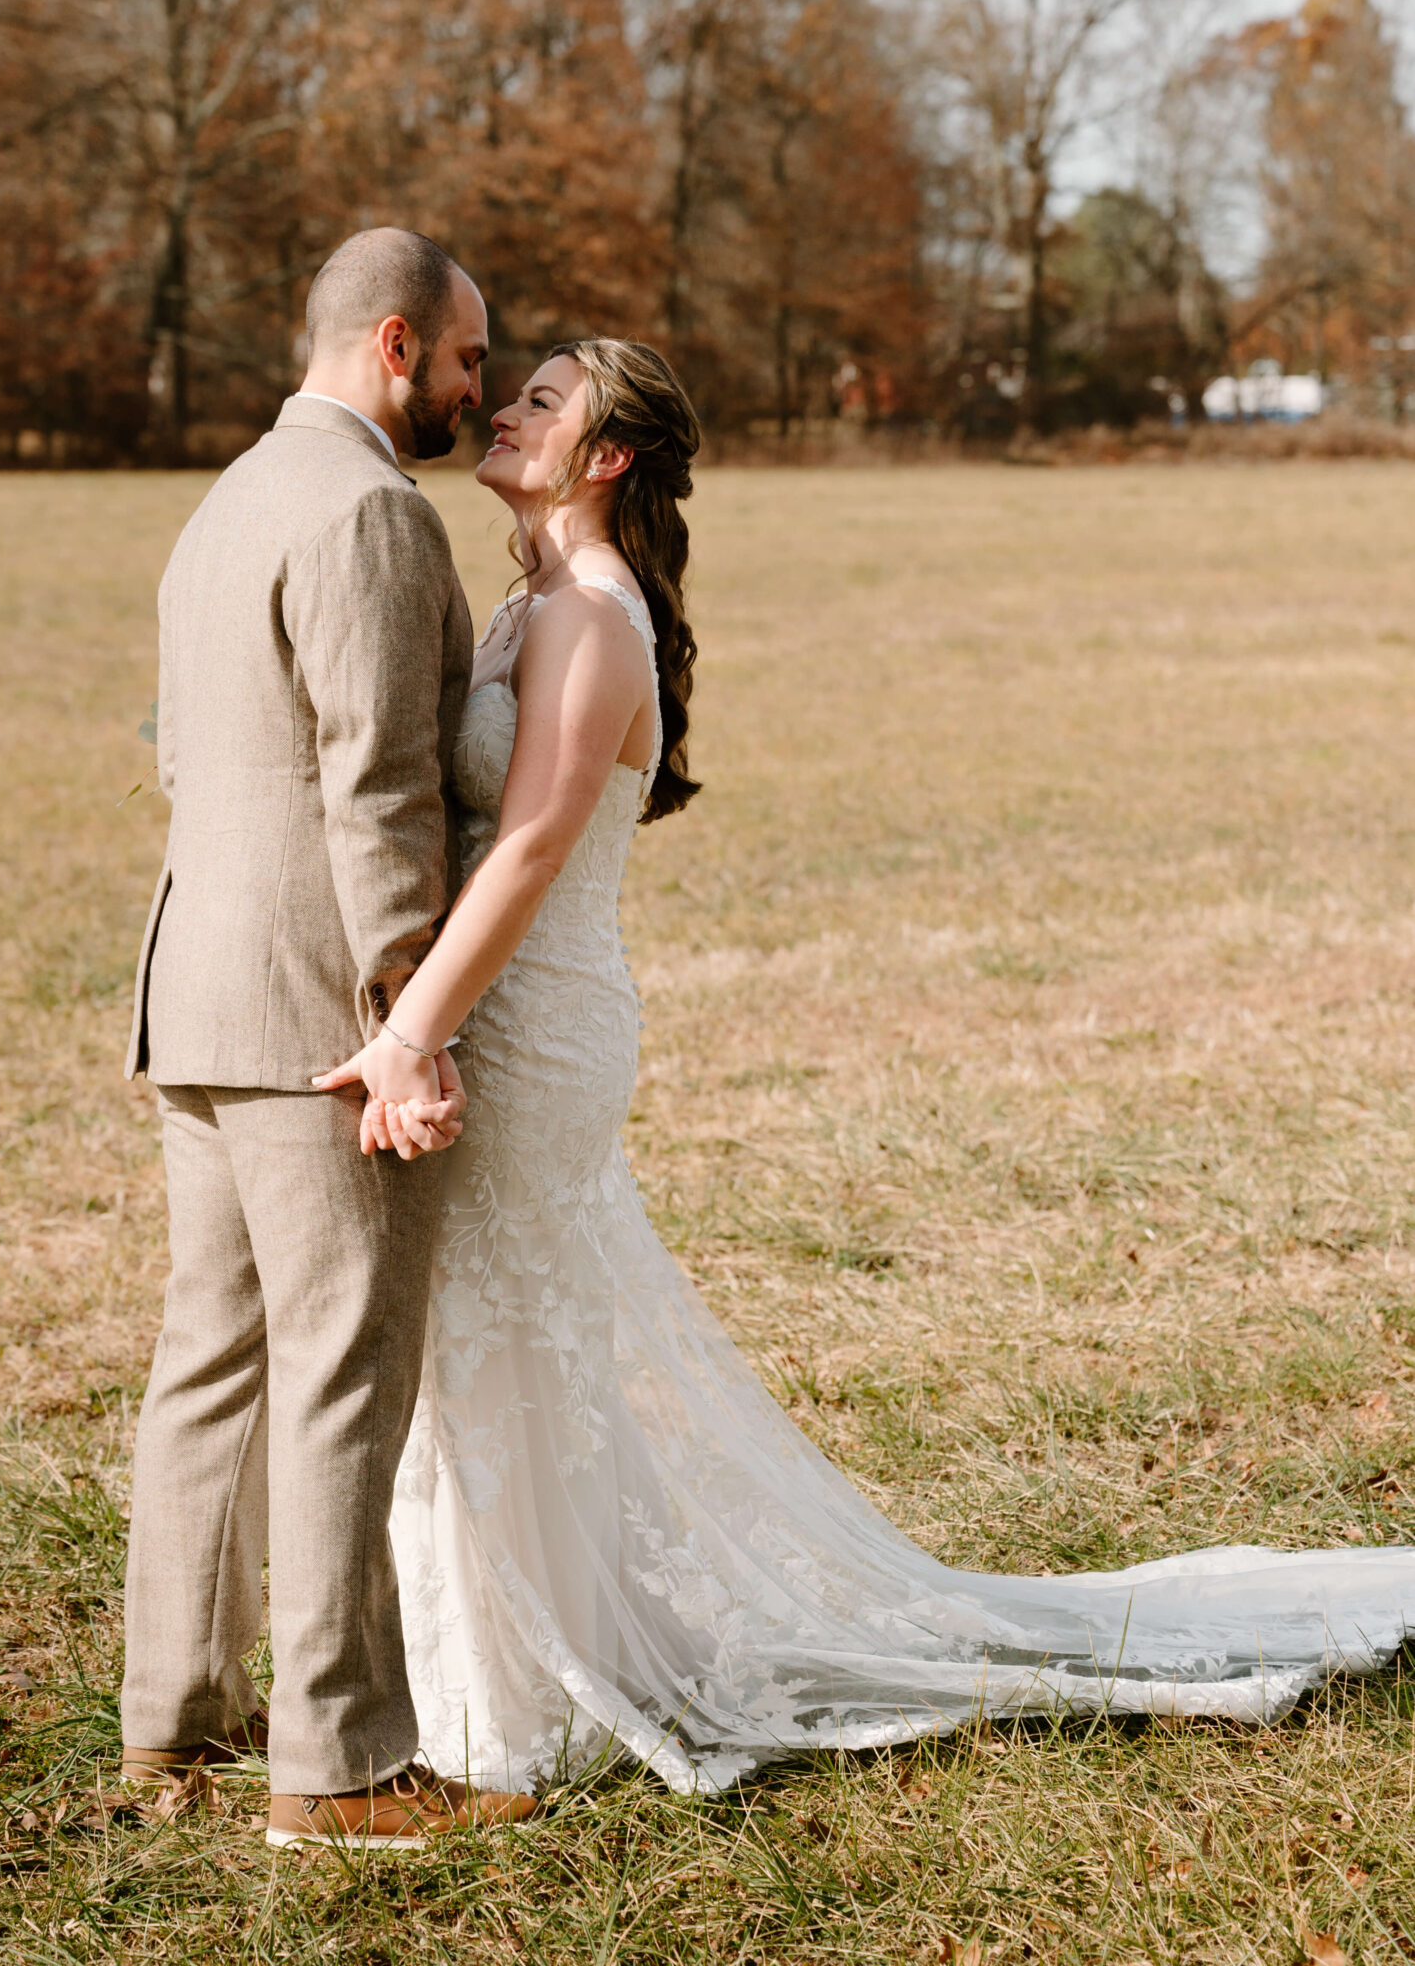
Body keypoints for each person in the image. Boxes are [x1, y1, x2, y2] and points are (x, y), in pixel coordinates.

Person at [318, 334, 1415, 1796]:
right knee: (489, 1338)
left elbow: (524, 850)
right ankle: (507, 1656)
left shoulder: (592, 612)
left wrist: (411, 1033)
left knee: (506, 1333)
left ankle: (527, 1686)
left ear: (609, 456)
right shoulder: (536, 600)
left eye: (540, 401)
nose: (502, 410)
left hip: (534, 1019)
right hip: (493, 1009)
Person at [118, 226, 538, 1850]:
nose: (474, 390)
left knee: (210, 1360)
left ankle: (171, 1726)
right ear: (389, 346)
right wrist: (406, 1018)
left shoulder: (227, 498)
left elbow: (186, 758)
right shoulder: (368, 509)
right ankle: (341, 1769)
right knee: (342, 1366)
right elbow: (379, 790)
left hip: (195, 986)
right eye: (462, 361)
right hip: (312, 1011)